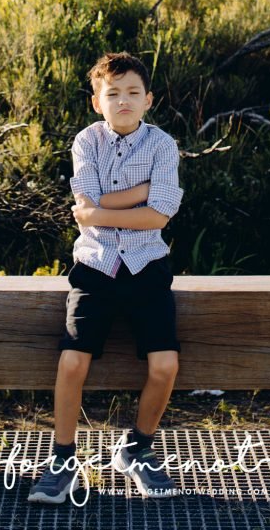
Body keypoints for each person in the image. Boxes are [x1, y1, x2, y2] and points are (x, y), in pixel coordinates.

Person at [28, 51, 183, 503]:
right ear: (97, 101)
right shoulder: (86, 142)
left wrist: (102, 209)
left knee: (165, 365)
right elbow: (87, 215)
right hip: (95, 267)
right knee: (73, 360)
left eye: (133, 93)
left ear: (148, 99)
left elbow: (159, 218)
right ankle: (62, 459)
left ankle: (136, 448)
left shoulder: (162, 145)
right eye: (112, 94)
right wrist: (142, 195)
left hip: (147, 267)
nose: (123, 101)